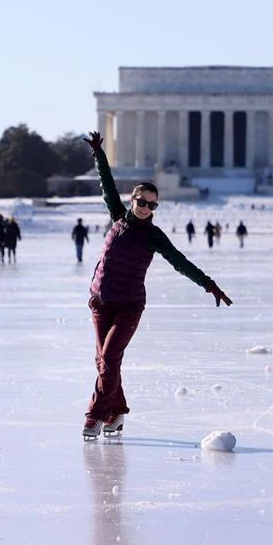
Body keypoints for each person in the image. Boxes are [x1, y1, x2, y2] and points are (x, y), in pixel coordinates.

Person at [80, 131, 231, 440]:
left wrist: (209, 284)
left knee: (108, 360)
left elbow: (180, 261)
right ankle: (118, 413)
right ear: (133, 200)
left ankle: (96, 416)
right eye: (143, 201)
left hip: (128, 307)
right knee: (103, 362)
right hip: (100, 301)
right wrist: (99, 154)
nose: (147, 207)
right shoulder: (118, 217)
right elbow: (107, 185)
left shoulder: (154, 236)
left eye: (153, 204)